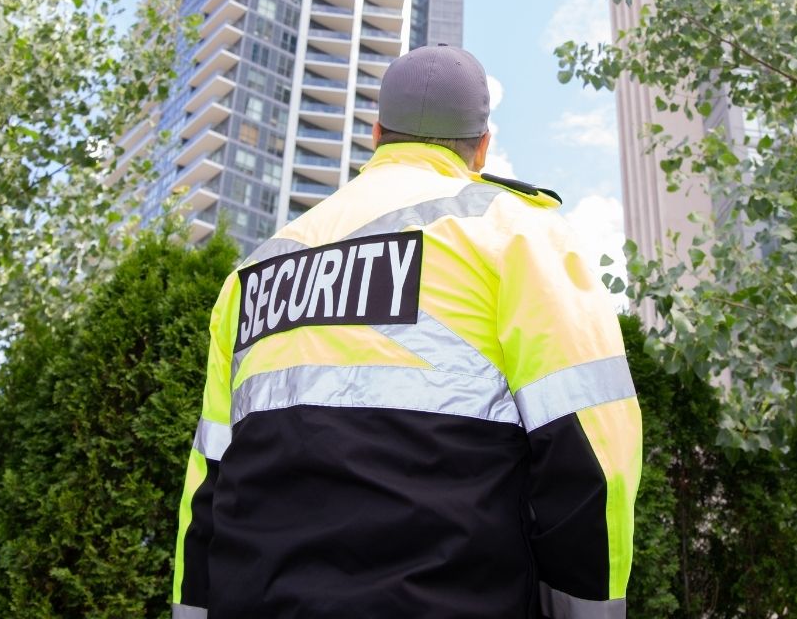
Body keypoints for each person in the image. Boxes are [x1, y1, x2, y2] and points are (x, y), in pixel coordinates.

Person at [172, 44, 642, 619]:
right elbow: (591, 450)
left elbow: (206, 486)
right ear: (482, 147)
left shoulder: (251, 276)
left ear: (376, 134)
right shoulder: (518, 237)